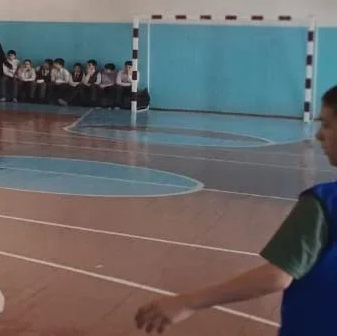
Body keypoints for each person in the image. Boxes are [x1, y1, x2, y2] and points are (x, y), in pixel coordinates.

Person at [136, 84, 337, 334]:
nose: (319, 135)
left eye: (327, 125)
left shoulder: (324, 203)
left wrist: (187, 302)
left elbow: (276, 277)